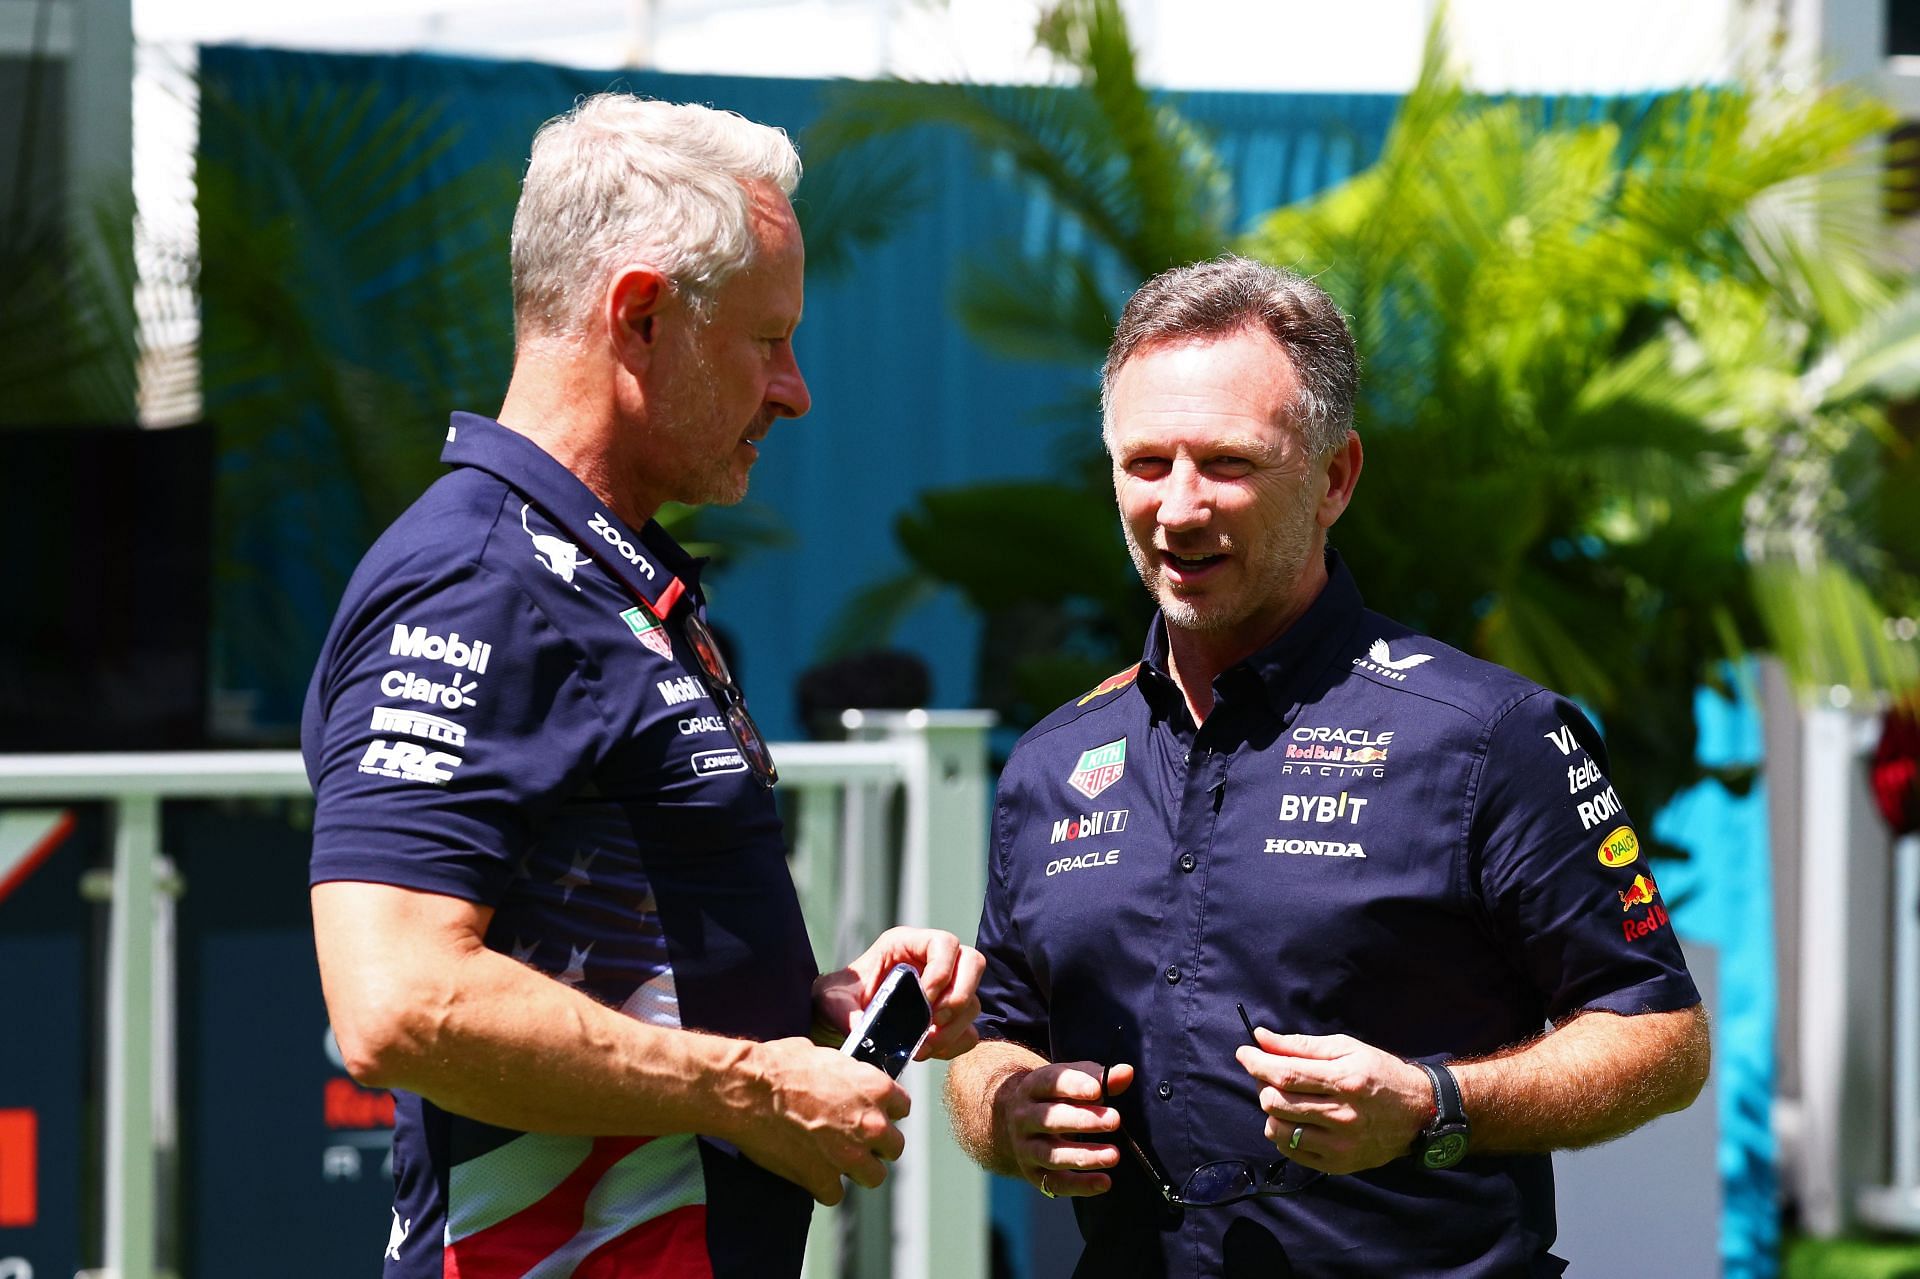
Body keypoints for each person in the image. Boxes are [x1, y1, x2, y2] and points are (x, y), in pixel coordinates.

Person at [302, 94, 983, 1279]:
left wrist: (806, 1013)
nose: (796, 388)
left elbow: (602, 952)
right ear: (643, 314)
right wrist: (753, 1082)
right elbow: (397, 1000)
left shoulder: (602, 574)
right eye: (769, 339)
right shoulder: (476, 580)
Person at [944, 256, 1709, 1276]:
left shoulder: (1489, 735)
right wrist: (1005, 1111)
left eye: (1227, 463)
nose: (1177, 508)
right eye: (1144, 463)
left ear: (1334, 476)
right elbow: (996, 1039)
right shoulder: (1054, 761)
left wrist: (1434, 1106)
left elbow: (1659, 1036)